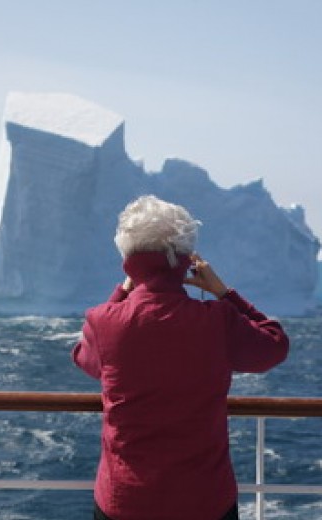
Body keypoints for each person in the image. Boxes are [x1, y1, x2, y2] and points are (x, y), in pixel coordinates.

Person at [72, 195, 290, 520]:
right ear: (186, 259)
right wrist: (225, 293)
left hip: (126, 501)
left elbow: (84, 357)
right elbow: (274, 346)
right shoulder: (217, 320)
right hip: (203, 500)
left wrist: (122, 293)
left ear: (127, 257)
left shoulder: (104, 321)